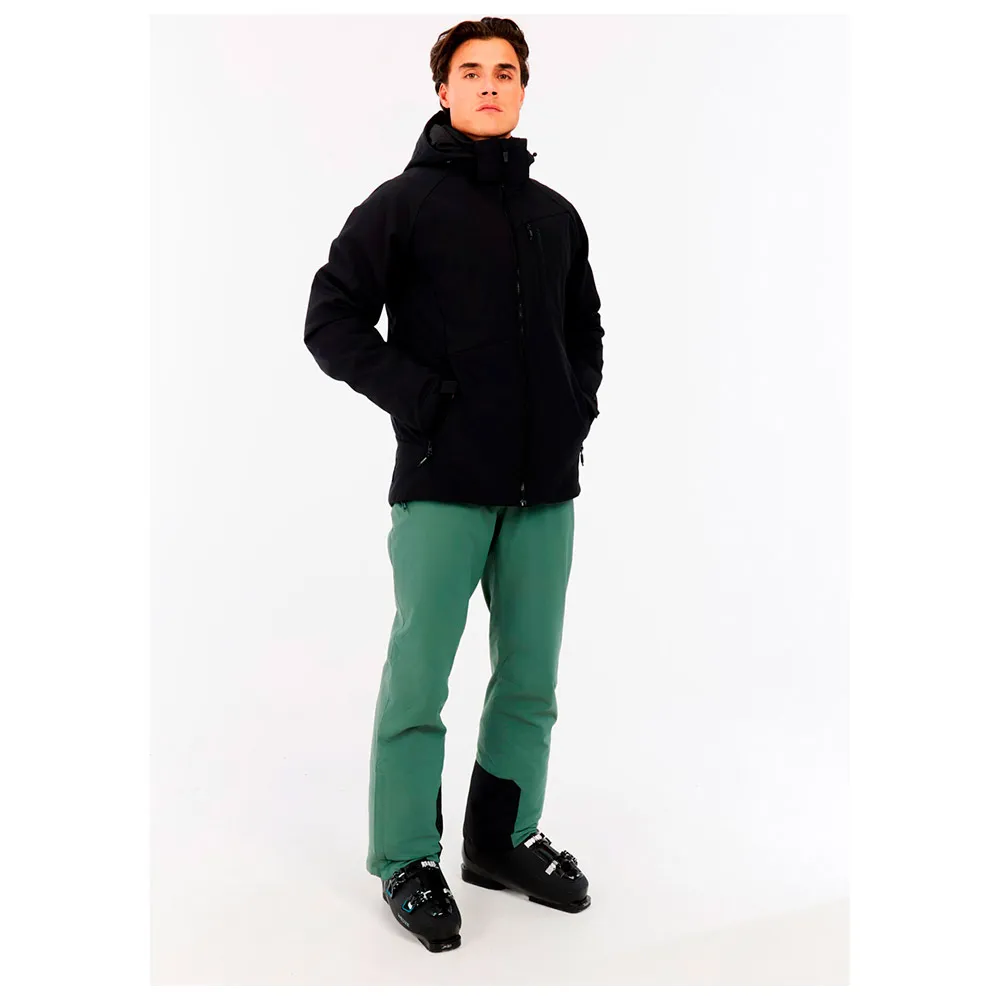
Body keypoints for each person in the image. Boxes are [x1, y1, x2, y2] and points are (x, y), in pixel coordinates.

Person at [303, 17, 603, 953]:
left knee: (531, 679)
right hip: (442, 484)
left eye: (504, 72)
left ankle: (501, 841)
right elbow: (331, 318)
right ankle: (406, 859)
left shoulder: (555, 214)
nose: (488, 85)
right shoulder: (404, 205)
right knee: (419, 680)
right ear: (442, 90)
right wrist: (421, 399)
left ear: (523, 89)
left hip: (544, 489)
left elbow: (584, 329)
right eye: (471, 72)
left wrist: (574, 411)